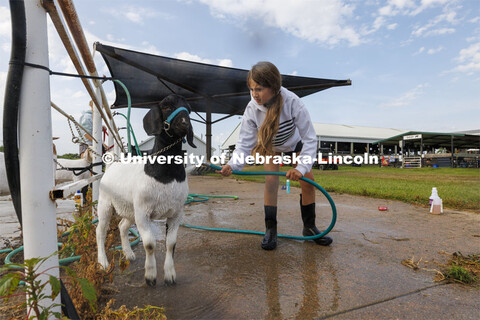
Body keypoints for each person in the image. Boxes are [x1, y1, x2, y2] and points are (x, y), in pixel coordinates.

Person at [218, 61, 332, 250]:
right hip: (271, 147)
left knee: (308, 180)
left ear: (274, 87)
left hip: (295, 144)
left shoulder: (293, 102)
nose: (254, 94)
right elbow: (244, 144)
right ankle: (271, 230)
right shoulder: (251, 109)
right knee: (271, 181)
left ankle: (309, 228)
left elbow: (310, 139)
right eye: (252, 89)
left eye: (260, 89)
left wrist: (301, 168)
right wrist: (233, 165)